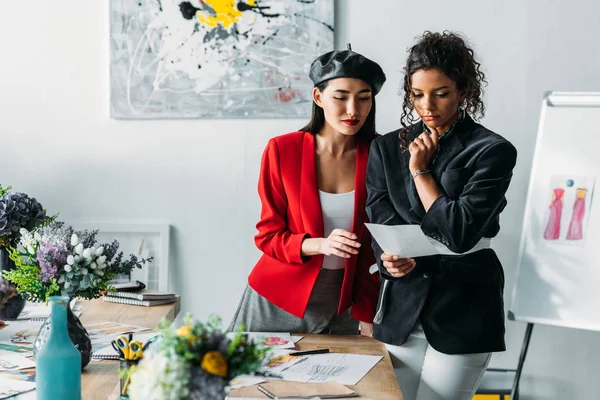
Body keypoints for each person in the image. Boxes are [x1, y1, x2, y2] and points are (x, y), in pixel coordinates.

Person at [365, 31, 518, 400]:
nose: (426, 105)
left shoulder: (492, 151)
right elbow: (379, 222)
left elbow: (458, 232)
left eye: (441, 93)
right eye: (417, 94)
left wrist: (421, 172)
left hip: (463, 305)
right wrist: (388, 263)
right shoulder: (386, 148)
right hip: (402, 309)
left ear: (463, 90)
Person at [229, 45, 385, 336]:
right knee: (245, 378)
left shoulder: (382, 155)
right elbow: (268, 236)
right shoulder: (282, 150)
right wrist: (320, 244)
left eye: (364, 99)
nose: (353, 110)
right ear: (318, 97)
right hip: (278, 298)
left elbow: (374, 247)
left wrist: (366, 311)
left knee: (338, 382)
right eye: (341, 97)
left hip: (345, 302)